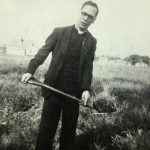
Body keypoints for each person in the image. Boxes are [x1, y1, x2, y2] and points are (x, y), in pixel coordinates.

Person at [21, 1, 99, 150]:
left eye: (90, 16)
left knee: (68, 134)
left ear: (94, 20)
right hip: (53, 88)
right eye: (84, 14)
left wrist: (85, 89)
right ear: (79, 12)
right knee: (46, 132)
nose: (85, 18)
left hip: (73, 93)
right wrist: (30, 70)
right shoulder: (59, 32)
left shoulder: (91, 41)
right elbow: (43, 52)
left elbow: (88, 67)